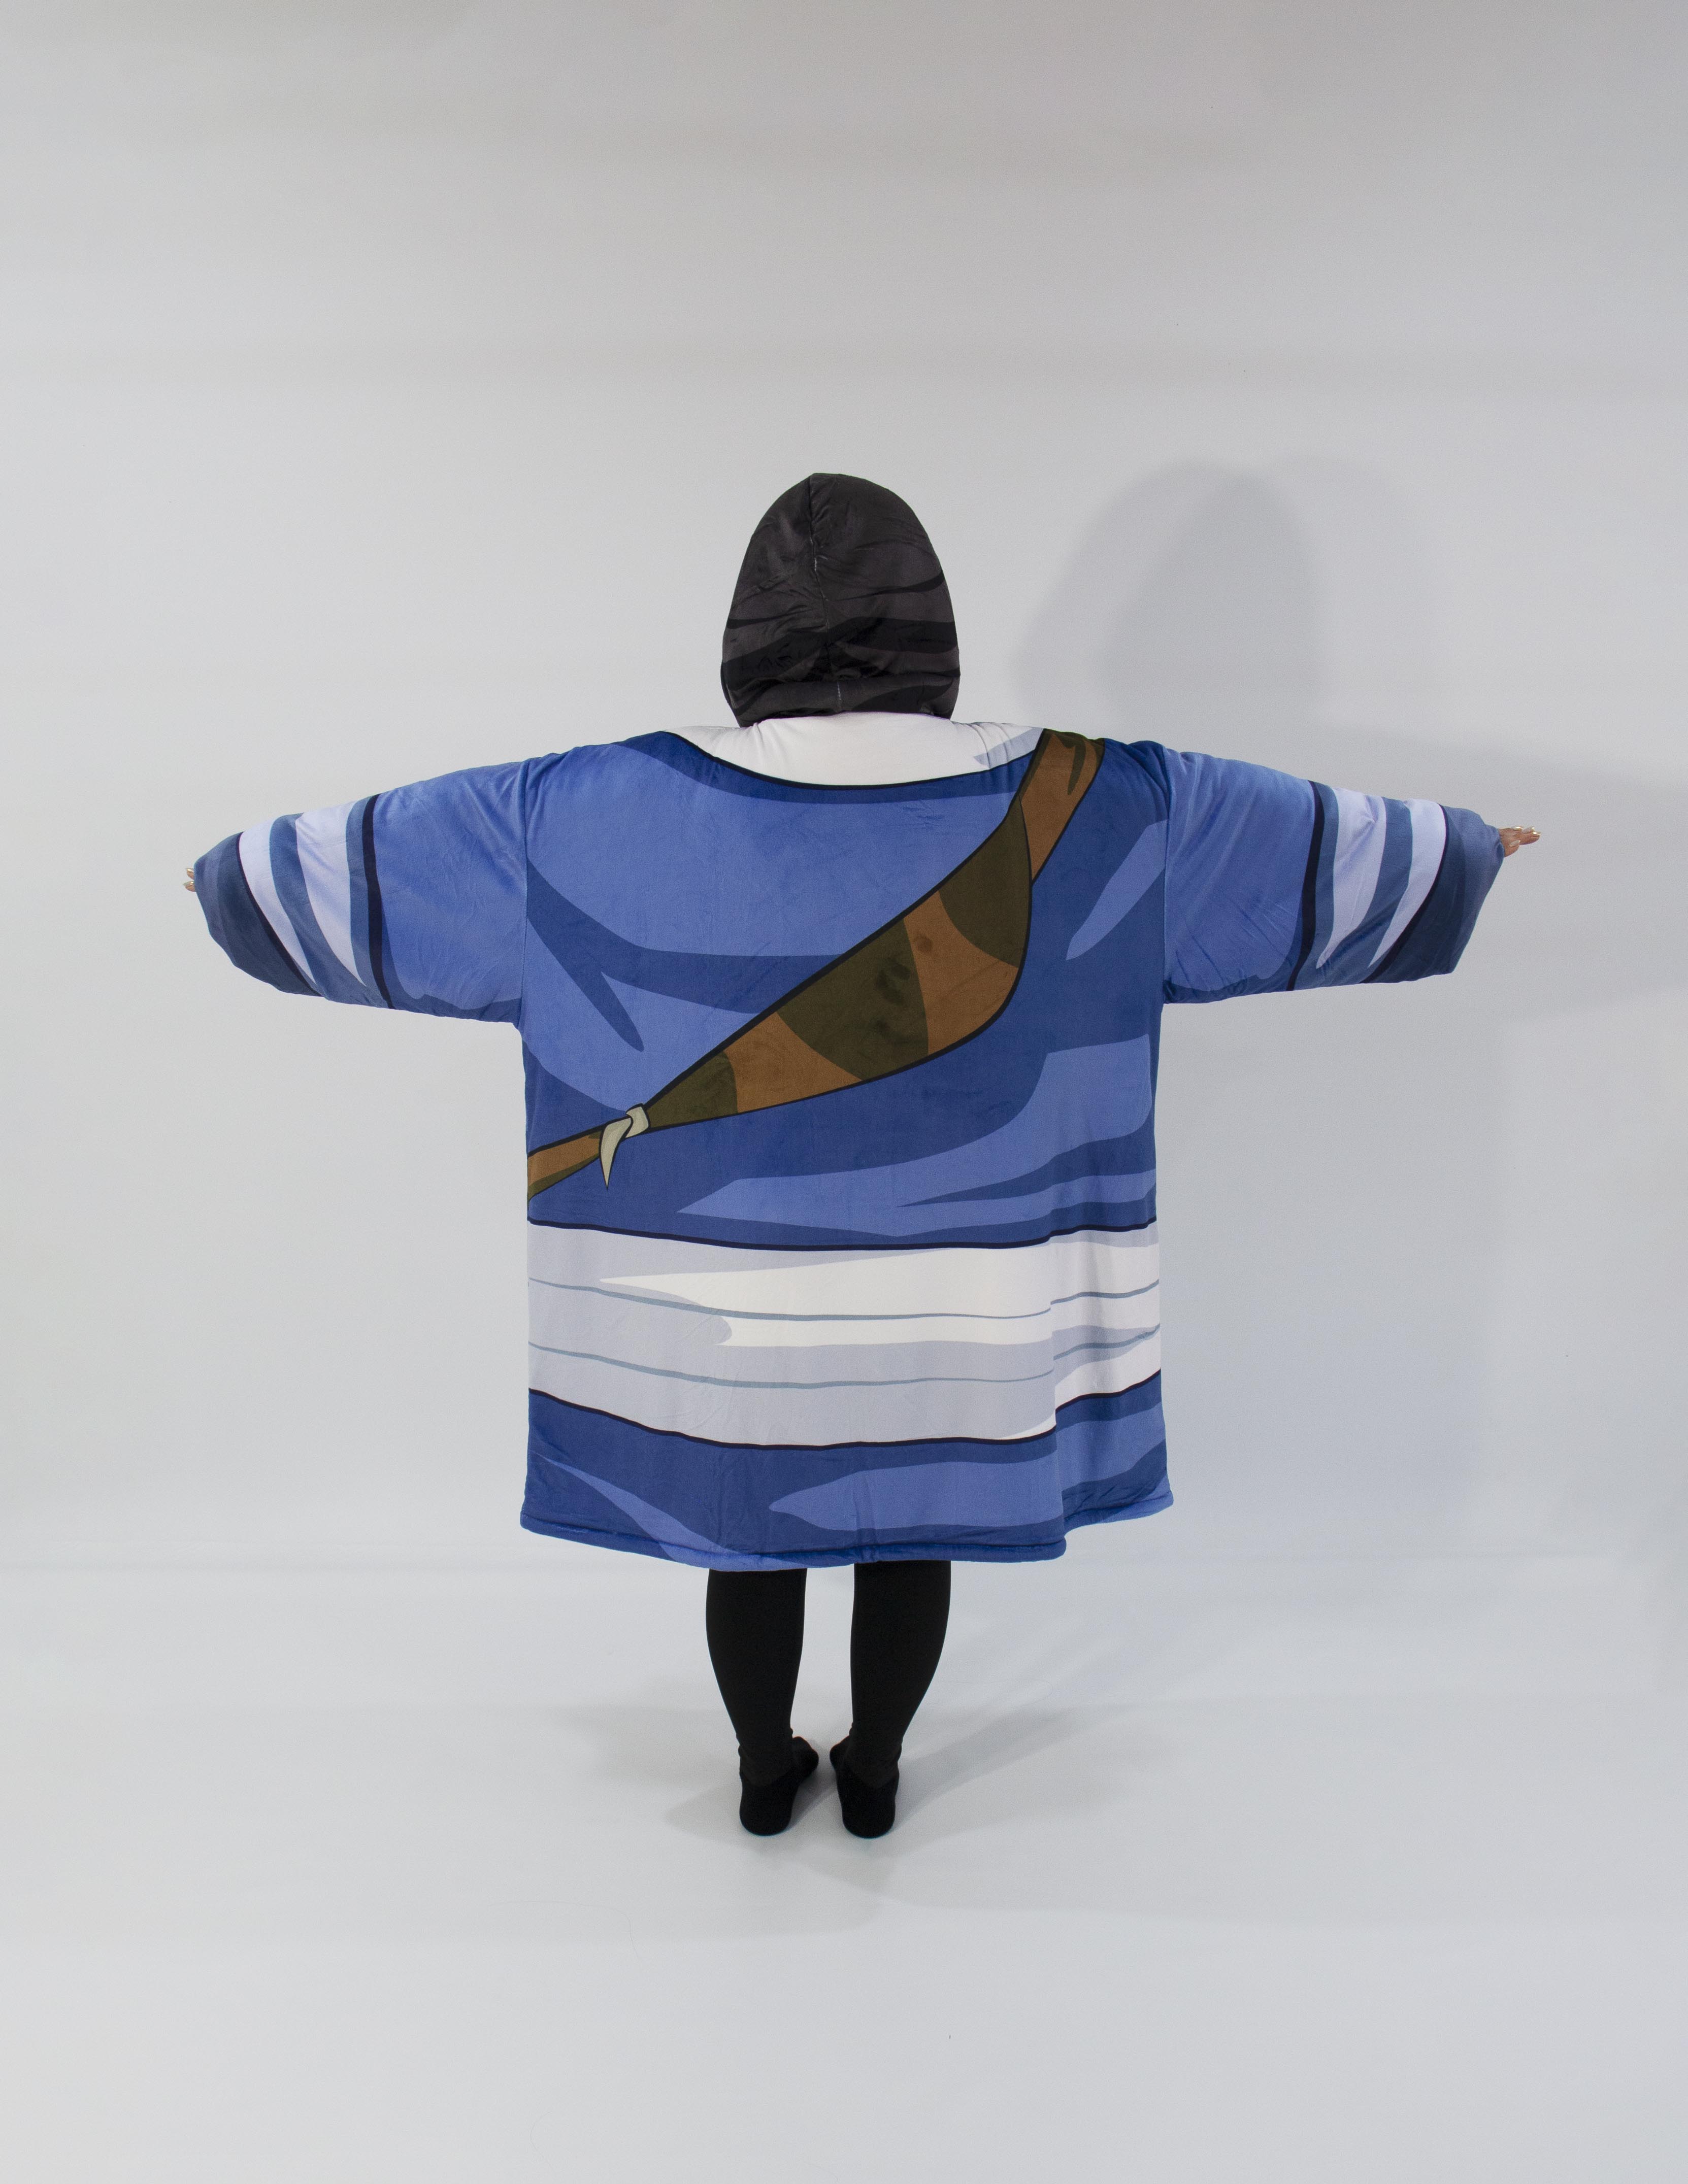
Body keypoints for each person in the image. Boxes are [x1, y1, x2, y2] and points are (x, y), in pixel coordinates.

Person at [187, 473, 1538, 1839]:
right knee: (915, 1520)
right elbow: (1302, 841)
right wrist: (1469, 849)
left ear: (748, 637)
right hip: (961, 1292)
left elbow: (365, 860)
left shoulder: (576, 807)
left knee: (748, 1535)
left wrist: (226, 877)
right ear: (931, 627)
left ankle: (764, 1769)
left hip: (721, 1306)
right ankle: (877, 1768)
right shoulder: (1102, 797)